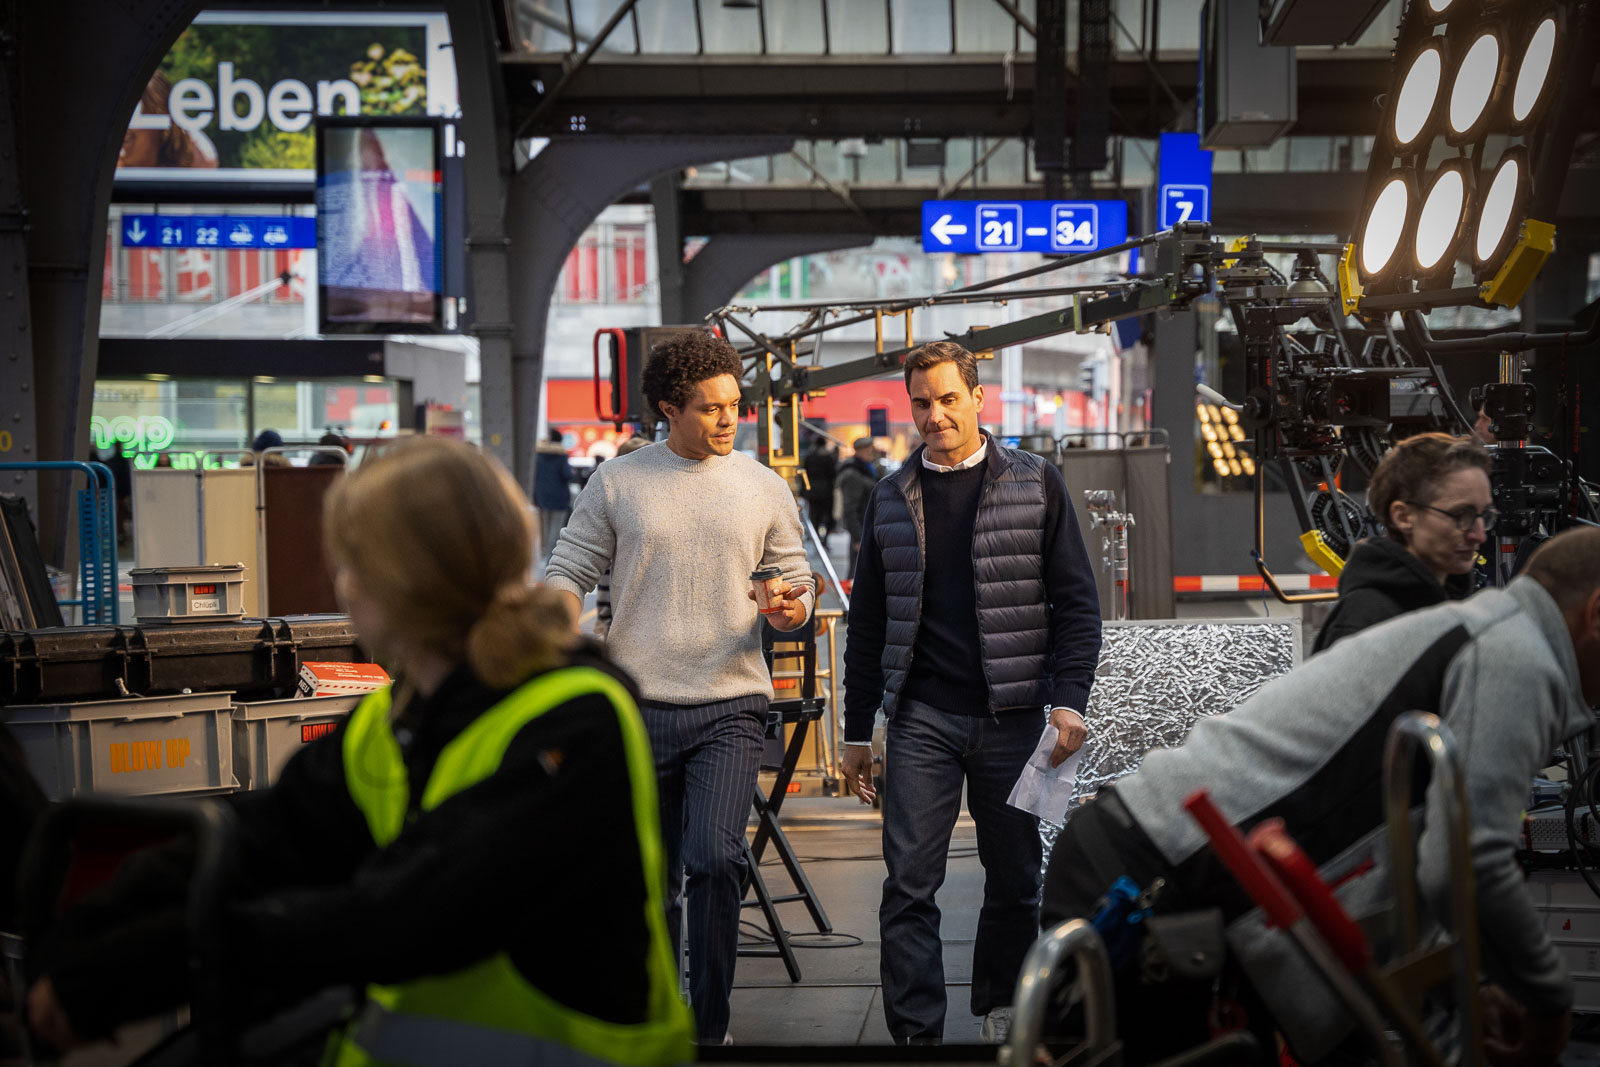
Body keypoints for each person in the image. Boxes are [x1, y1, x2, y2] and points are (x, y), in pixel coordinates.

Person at [23, 436, 694, 1065]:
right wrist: (83, 941)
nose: (342, 584)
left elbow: (402, 915)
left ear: (394, 581)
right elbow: (256, 841)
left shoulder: (576, 722)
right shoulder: (395, 717)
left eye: (350, 563)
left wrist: (128, 975)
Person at [1042, 525, 1600, 1067]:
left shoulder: (1488, 631)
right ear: (1595, 613)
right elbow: (1468, 862)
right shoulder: (1516, 656)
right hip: (1150, 880)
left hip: (1178, 875)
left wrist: (1468, 986)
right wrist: (1549, 1001)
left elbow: (1415, 855)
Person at [545, 332, 814, 1044]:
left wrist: (794, 604)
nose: (731, 420)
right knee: (651, 881)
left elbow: (797, 575)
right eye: (712, 408)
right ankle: (665, 1017)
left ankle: (709, 1027)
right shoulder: (619, 482)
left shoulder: (761, 485)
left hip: (731, 700)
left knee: (717, 857)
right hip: (638, 706)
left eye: (736, 405)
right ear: (668, 407)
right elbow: (569, 565)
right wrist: (545, 623)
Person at [840, 341, 1103, 1045]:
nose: (934, 414)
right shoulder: (890, 497)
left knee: (1016, 880)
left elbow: (1077, 603)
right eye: (921, 402)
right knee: (907, 887)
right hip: (921, 714)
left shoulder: (1035, 481)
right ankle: (917, 1036)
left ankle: (1003, 1007)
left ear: (978, 398)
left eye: (947, 398)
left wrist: (1069, 699)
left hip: (1014, 716)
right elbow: (865, 624)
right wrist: (856, 729)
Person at [1313, 432, 1493, 653]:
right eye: (1460, 515)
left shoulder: (1458, 604)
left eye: (1483, 515)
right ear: (1403, 516)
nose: (1479, 535)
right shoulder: (1365, 622)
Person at [594, 435, 652, 639]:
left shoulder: (617, 506)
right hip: (627, 623)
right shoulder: (628, 510)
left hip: (618, 620)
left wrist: (604, 619)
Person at [835, 436, 882, 579]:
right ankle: (850, 600)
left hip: (871, 527)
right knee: (857, 571)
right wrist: (857, 537)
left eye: (871, 448)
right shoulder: (853, 474)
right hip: (862, 529)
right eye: (867, 449)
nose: (871, 452)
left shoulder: (870, 469)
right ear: (858, 451)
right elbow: (849, 508)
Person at [532, 427, 575, 561]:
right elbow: (567, 475)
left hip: (541, 497)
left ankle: (543, 554)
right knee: (556, 529)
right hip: (559, 498)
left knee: (543, 528)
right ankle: (552, 557)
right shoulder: (561, 455)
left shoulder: (538, 455)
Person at [801, 437, 839, 543]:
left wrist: (803, 490)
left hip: (812, 490)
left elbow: (804, 474)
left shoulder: (810, 457)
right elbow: (833, 474)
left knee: (814, 514)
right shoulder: (827, 457)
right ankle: (825, 540)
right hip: (826, 491)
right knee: (826, 515)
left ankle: (815, 537)